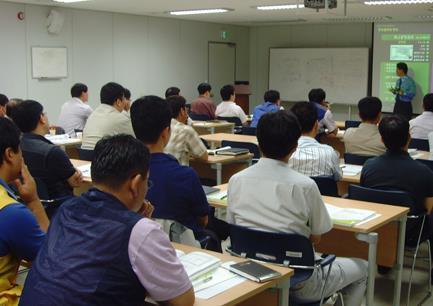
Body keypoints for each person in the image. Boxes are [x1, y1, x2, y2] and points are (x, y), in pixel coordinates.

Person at [20, 134, 194, 306]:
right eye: (147, 182)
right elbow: (183, 301)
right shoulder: (140, 231)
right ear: (135, 184)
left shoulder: (67, 209)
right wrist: (139, 226)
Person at [227, 110, 367, 305]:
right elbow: (317, 236)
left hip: (249, 275)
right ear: (294, 146)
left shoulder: (236, 180)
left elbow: (234, 226)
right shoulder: (305, 185)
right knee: (363, 268)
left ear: (258, 141)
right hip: (298, 280)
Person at [130, 96, 228, 252]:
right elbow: (203, 220)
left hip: (139, 247)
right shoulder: (185, 175)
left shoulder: (125, 173)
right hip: (183, 249)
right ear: (165, 133)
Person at [361, 115, 433, 248]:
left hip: (375, 226)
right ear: (409, 138)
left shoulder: (369, 166)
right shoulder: (424, 172)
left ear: (382, 140)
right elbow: (429, 208)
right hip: (410, 233)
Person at [0, 117, 48, 306]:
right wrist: (33, 200)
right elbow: (51, 259)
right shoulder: (12, 213)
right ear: (10, 153)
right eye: (20, 149)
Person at [9, 100, 82, 199]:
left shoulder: (15, 148)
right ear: (41, 118)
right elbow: (75, 182)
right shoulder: (53, 151)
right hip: (60, 206)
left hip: (29, 203)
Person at [288, 102, 342, 180]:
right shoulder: (329, 152)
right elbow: (338, 177)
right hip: (322, 192)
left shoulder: (285, 154)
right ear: (316, 125)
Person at [81, 82, 134, 150]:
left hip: (84, 154)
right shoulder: (121, 117)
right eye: (124, 98)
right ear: (118, 102)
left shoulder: (94, 113)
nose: (126, 102)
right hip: (104, 156)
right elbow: (134, 141)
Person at [164, 95, 208, 166]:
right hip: (178, 173)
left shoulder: (160, 128)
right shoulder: (186, 130)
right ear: (182, 111)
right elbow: (204, 157)